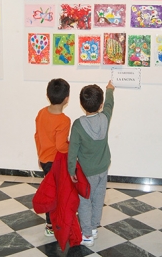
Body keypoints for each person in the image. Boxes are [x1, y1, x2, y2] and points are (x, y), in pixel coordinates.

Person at [68, 80, 115, 247]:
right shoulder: (105, 118)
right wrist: (110, 90)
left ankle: (87, 234)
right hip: (103, 169)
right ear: (100, 104)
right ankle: (94, 228)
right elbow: (110, 105)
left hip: (85, 173)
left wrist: (71, 169)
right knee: (98, 198)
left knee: (85, 201)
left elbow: (72, 150)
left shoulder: (78, 125)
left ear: (82, 104)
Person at [34, 78, 70, 237]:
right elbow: (61, 146)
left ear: (47, 96)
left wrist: (40, 154)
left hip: (44, 159)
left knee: (50, 191)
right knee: (54, 194)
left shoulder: (41, 113)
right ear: (66, 99)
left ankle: (52, 221)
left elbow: (37, 136)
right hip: (56, 163)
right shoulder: (64, 121)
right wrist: (73, 148)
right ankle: (51, 224)